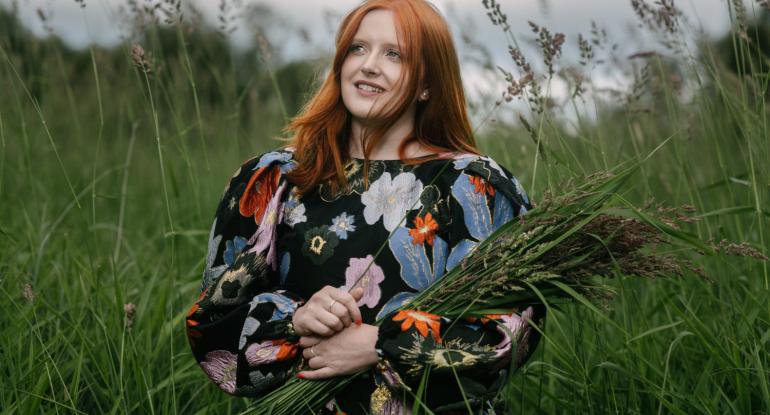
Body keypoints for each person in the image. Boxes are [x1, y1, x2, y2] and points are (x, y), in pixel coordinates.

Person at [185, 0, 545, 413]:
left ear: (428, 83)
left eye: (394, 54)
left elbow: (512, 331)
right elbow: (213, 325)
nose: (369, 65)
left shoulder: (473, 187)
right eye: (358, 48)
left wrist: (381, 345)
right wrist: (296, 321)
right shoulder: (275, 179)